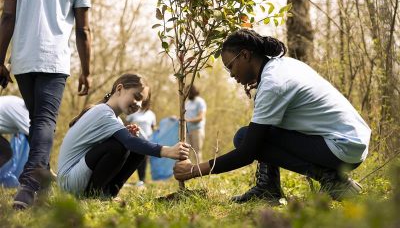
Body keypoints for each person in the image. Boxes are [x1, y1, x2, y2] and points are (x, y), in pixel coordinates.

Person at [174, 29, 371, 202]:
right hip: (352, 141)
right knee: (258, 131)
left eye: (230, 66)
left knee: (244, 137)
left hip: (342, 148)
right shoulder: (282, 65)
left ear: (245, 55)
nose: (231, 75)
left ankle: (332, 179)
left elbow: (247, 152)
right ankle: (268, 188)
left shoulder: (273, 83)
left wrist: (194, 170)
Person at [0, 0, 92, 209]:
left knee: (37, 122)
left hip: (22, 61)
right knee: (44, 121)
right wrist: (87, 71)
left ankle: (43, 177)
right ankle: (29, 185)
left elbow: (7, 17)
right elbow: (83, 29)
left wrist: (0, 59)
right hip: (54, 60)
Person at [57, 74, 190, 197]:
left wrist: (125, 137)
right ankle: (94, 194)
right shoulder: (103, 112)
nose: (138, 104)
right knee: (121, 146)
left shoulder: (114, 118)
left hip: (77, 177)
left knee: (137, 149)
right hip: (69, 183)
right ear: (119, 89)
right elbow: (127, 142)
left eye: (142, 102)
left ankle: (108, 194)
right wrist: (167, 151)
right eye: (137, 97)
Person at [126, 105, 157, 187]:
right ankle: (125, 178)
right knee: (132, 159)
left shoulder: (151, 114)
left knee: (144, 159)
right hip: (135, 140)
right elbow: (127, 124)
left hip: (147, 140)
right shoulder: (133, 113)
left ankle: (142, 180)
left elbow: (153, 127)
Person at [0, 96, 29, 168]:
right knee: (5, 152)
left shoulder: (19, 104)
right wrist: (45, 166)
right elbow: (36, 138)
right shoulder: (23, 111)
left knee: (4, 151)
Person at [185, 85, 207, 162]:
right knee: (186, 153)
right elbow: (185, 116)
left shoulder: (200, 101)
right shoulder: (187, 103)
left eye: (188, 92)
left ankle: (200, 172)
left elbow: (201, 117)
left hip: (197, 130)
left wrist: (188, 120)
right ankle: (188, 172)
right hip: (187, 131)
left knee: (197, 152)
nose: (186, 94)